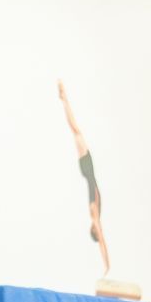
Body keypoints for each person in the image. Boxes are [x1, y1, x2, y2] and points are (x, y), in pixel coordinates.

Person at [57, 81, 112, 277]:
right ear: (94, 230)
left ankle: (65, 100)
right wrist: (107, 264)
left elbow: (103, 238)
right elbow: (103, 241)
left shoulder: (95, 214)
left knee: (76, 131)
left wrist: (107, 264)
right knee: (76, 130)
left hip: (87, 170)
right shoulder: (96, 218)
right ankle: (64, 100)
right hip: (88, 170)